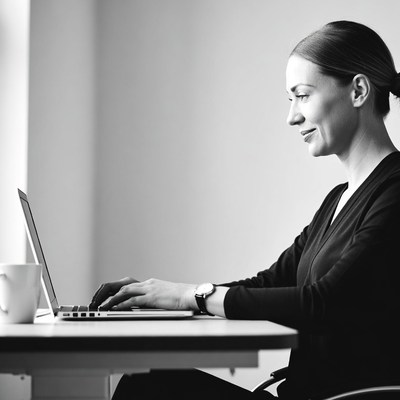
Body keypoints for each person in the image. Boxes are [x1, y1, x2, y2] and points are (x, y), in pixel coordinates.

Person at [90, 20, 400, 399]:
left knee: (147, 387)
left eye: (302, 95)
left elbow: (324, 302)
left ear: (358, 90)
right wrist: (169, 297)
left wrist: (194, 297)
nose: (292, 116)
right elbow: (272, 283)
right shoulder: (338, 199)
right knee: (145, 381)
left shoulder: (395, 191)